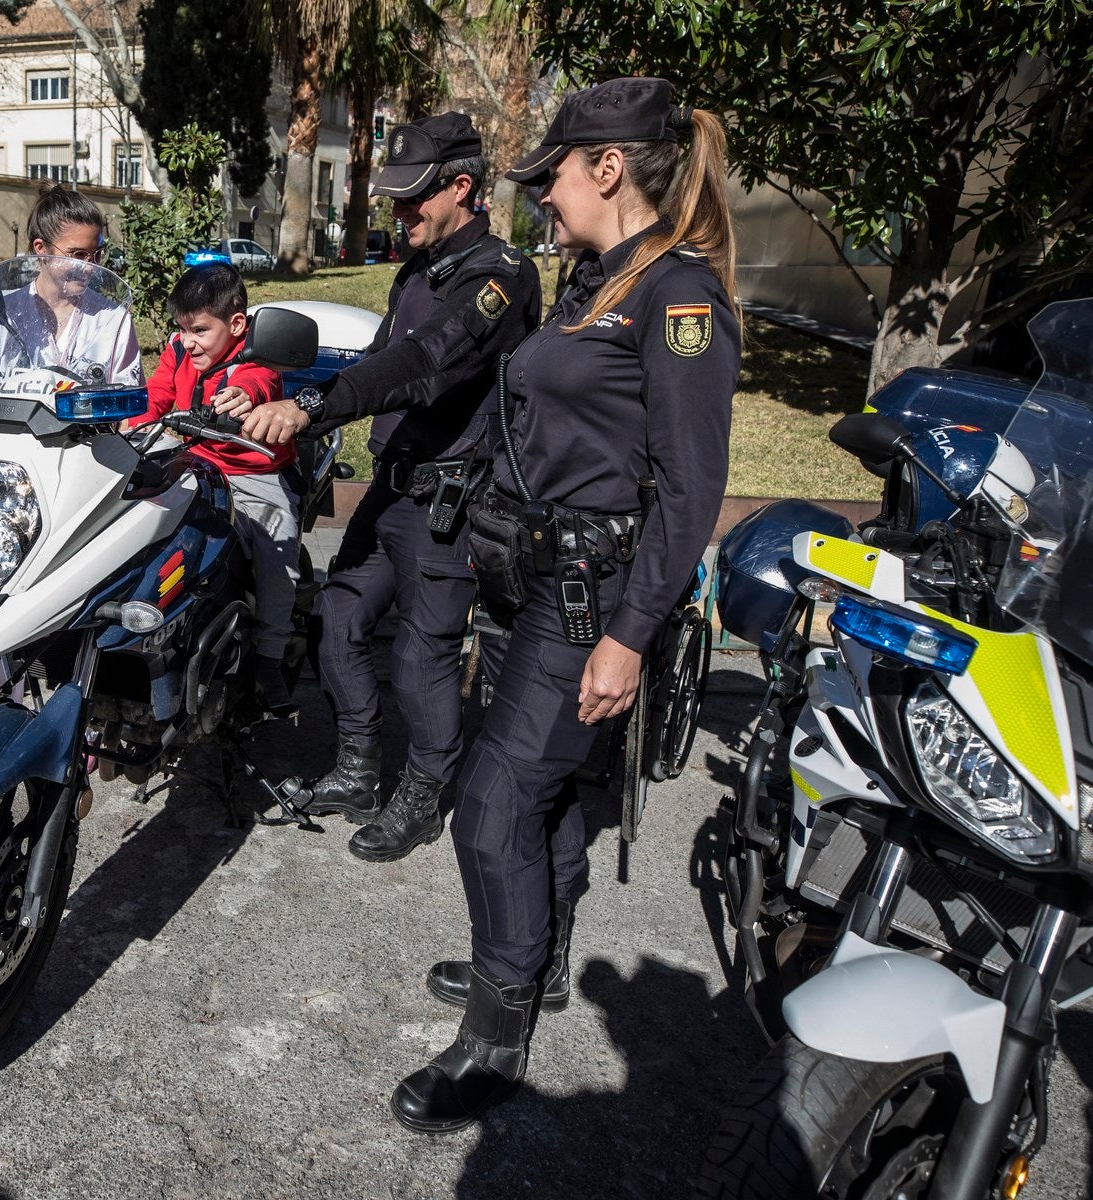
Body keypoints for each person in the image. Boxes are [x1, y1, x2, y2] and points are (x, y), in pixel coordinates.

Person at [389, 77, 741, 1132]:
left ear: (609, 167)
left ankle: (497, 1037)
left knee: (492, 803)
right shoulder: (598, 277)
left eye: (553, 176)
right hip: (529, 575)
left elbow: (692, 490)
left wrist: (631, 634)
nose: (542, 195)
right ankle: (530, 965)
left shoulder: (677, 296)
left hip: (593, 596)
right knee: (531, 797)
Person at [235, 112, 540, 863]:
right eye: (395, 201)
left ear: (462, 187)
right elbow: (374, 362)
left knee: (421, 654)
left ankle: (424, 793)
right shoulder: (417, 269)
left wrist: (309, 407)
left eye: (413, 200)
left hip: (454, 504)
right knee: (338, 619)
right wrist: (285, 394)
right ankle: (359, 770)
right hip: (393, 489)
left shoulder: (499, 279)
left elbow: (423, 364)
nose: (399, 214)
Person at [127, 263, 301, 713]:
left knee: (275, 555)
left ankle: (270, 658)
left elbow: (256, 382)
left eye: (201, 330)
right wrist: (128, 420)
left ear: (237, 324)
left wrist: (244, 397)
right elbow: (157, 395)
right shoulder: (179, 350)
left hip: (252, 474)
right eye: (183, 329)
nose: (189, 341)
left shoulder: (256, 356)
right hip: (191, 467)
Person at [2, 183, 138, 386]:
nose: (90, 267)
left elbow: (128, 405)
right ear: (41, 248)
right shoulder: (3, 314)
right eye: (78, 255)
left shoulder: (113, 319)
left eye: (97, 254)